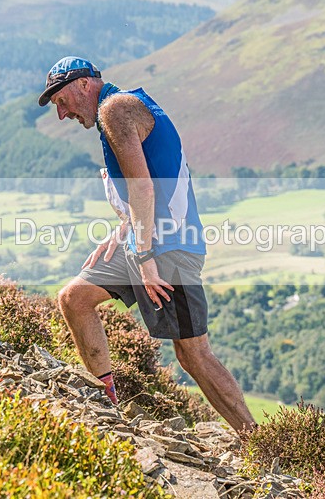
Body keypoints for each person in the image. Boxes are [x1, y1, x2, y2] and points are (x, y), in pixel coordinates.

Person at [38, 56, 256, 435]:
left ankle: (260, 442)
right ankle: (109, 409)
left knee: (193, 353)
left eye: (60, 100)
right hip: (144, 240)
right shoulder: (118, 110)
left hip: (167, 249)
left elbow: (143, 186)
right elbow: (147, 185)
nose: (61, 113)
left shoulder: (116, 109)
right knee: (74, 299)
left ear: (84, 84)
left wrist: (144, 258)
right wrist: (123, 228)